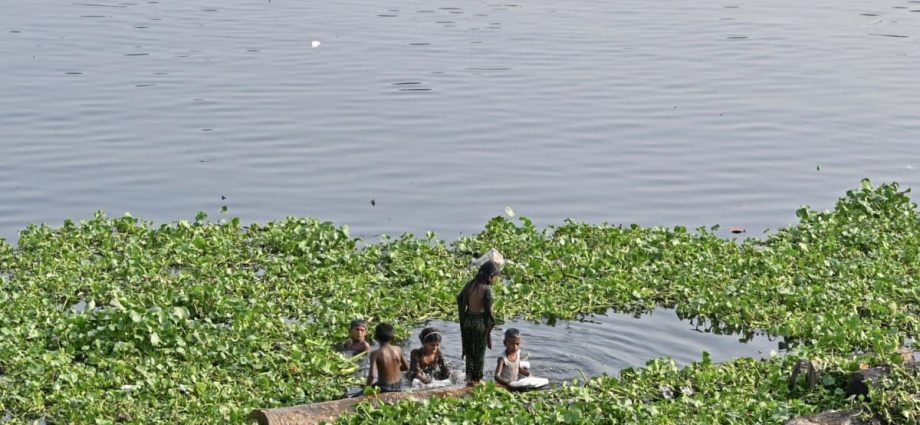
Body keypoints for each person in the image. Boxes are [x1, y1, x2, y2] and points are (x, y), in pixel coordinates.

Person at [457, 260, 499, 386]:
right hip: (479, 322)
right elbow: (489, 313)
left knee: (470, 350)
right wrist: (489, 331)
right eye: (495, 277)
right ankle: (478, 379)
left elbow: (459, 298)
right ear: (490, 276)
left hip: (468, 320)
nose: (496, 280)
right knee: (480, 352)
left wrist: (464, 313)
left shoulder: (470, 284)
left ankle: (469, 377)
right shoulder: (487, 290)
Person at [366, 323, 409, 392]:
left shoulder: (375, 354)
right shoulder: (398, 349)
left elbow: (372, 376)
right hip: (398, 386)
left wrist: (366, 389)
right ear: (393, 337)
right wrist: (395, 368)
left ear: (375, 338)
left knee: (358, 394)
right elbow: (406, 367)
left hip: (384, 387)